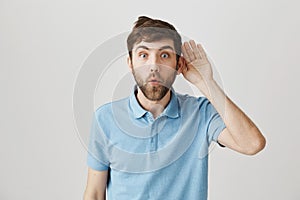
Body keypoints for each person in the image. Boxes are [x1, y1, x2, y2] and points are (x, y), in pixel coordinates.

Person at [83, 16, 266, 200]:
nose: (153, 66)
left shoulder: (200, 113)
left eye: (164, 55)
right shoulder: (105, 118)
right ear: (131, 63)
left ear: (178, 64)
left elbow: (252, 144)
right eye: (143, 55)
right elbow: (95, 194)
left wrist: (206, 83)